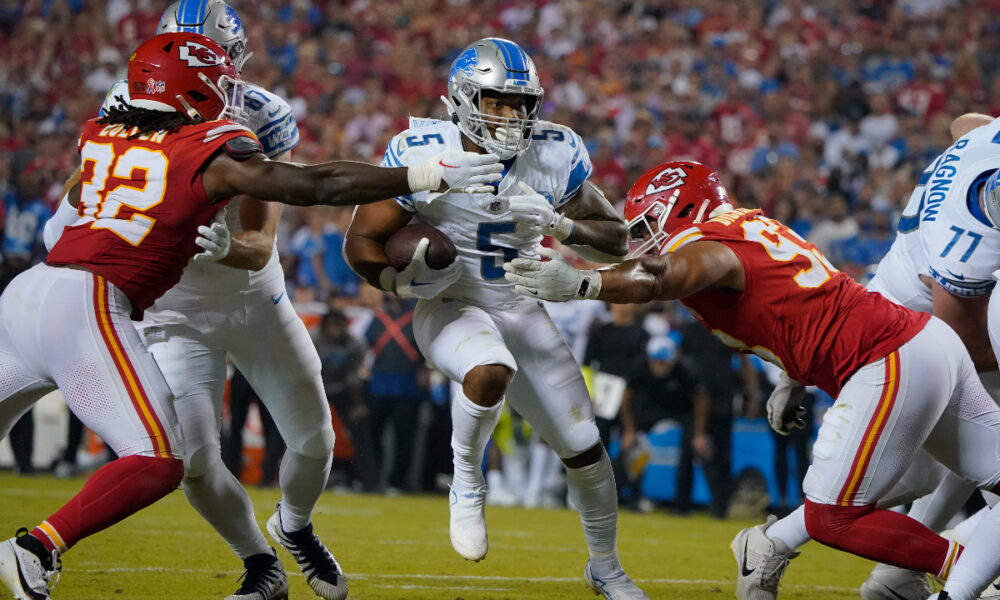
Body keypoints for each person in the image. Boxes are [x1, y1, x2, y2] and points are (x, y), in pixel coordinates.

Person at [0, 31, 503, 600]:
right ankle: (37, 548)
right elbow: (316, 183)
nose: (228, 92)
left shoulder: (104, 130)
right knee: (164, 459)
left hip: (32, 291)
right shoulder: (206, 146)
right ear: (193, 88)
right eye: (216, 81)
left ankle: (292, 529)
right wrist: (423, 174)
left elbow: (59, 228)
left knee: (306, 440)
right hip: (101, 303)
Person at [503, 160, 1000, 600]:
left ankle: (964, 571)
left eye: (650, 222)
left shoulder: (710, 244)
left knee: (832, 516)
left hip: (887, 358)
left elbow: (662, 276)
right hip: (925, 343)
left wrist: (585, 282)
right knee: (913, 482)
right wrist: (792, 378)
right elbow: (800, 305)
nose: (645, 236)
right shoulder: (751, 225)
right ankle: (796, 549)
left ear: (682, 208)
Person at [344, 38, 650, 599]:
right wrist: (395, 283)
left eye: (520, 104)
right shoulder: (422, 149)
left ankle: (606, 569)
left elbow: (618, 241)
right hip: (451, 302)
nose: (511, 116)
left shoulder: (555, 150)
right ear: (464, 100)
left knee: (584, 447)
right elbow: (361, 241)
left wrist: (560, 225)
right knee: (489, 369)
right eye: (497, 102)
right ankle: (467, 480)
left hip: (521, 304)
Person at [750, 111, 1000, 600]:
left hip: (892, 305)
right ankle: (786, 544)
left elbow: (964, 124)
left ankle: (882, 569)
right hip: (911, 331)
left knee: (945, 462)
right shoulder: (970, 238)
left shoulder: (987, 148)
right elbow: (964, 337)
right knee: (943, 460)